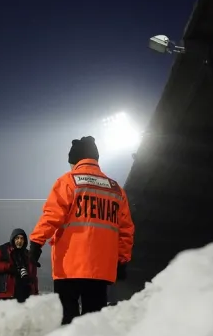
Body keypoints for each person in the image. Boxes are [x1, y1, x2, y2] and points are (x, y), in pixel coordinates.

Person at [29, 136, 134, 325]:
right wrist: (122, 259)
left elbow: (52, 215)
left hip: (69, 266)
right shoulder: (115, 189)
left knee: (67, 319)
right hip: (101, 269)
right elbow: (125, 229)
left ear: (74, 160)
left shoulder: (67, 181)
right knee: (93, 325)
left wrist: (36, 243)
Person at [0, 228, 39, 303]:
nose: (19, 241)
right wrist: (8, 267)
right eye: (17, 238)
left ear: (25, 241)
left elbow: (33, 278)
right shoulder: (2, 250)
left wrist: (35, 295)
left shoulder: (28, 255)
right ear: (13, 239)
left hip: (25, 295)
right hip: (6, 294)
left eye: (22, 239)